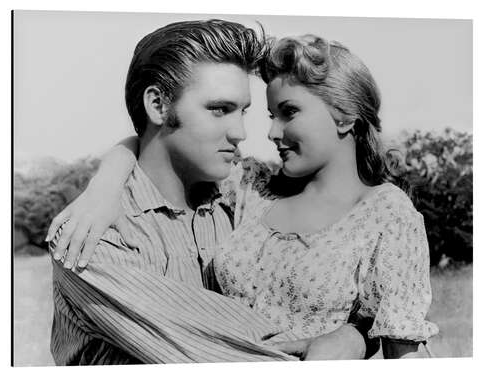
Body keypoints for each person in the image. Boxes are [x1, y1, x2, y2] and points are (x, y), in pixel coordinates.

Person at [48, 20, 369, 365]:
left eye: (243, 111)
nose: (240, 132)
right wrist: (348, 341)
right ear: (157, 105)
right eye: (219, 109)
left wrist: (355, 334)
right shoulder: (91, 236)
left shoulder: (243, 198)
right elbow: (249, 354)